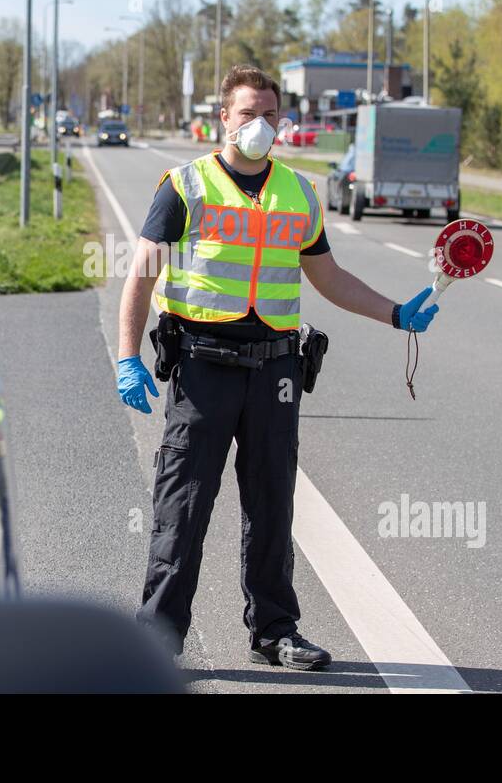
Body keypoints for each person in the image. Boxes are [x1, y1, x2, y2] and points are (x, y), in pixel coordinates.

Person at [115, 65, 441, 670]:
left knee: (272, 505)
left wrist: (395, 314)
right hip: (203, 368)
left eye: (270, 114)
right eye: (247, 114)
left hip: (276, 371)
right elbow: (141, 275)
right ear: (223, 119)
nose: (259, 125)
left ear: (282, 121)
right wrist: (126, 358)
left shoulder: (298, 191)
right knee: (182, 508)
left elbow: (330, 279)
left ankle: (275, 630)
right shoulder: (185, 186)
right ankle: (158, 638)